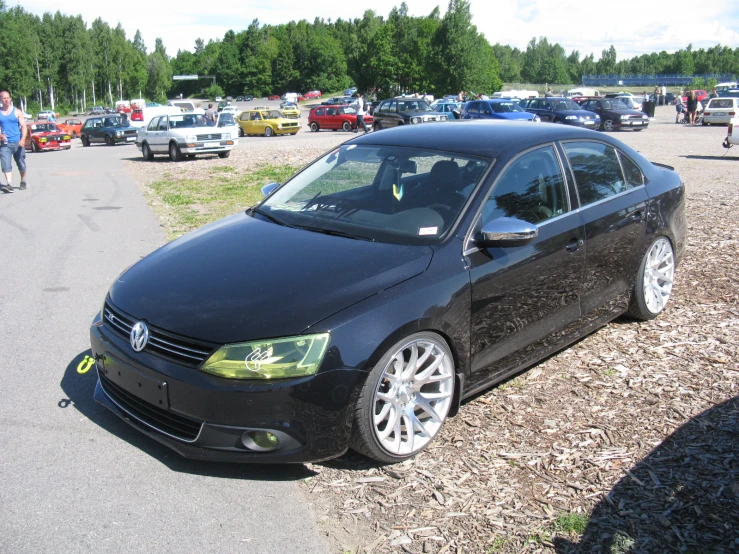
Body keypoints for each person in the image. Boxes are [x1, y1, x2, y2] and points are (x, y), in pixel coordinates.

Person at [0, 90, 28, 193]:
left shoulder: (17, 111)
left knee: (21, 164)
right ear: (1, 99)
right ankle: (9, 184)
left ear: (10, 99)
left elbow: (24, 126)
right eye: (4, 98)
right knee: (5, 164)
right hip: (5, 144)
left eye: (8, 98)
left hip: (18, 142)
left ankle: (23, 180)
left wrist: (23, 139)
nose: (6, 100)